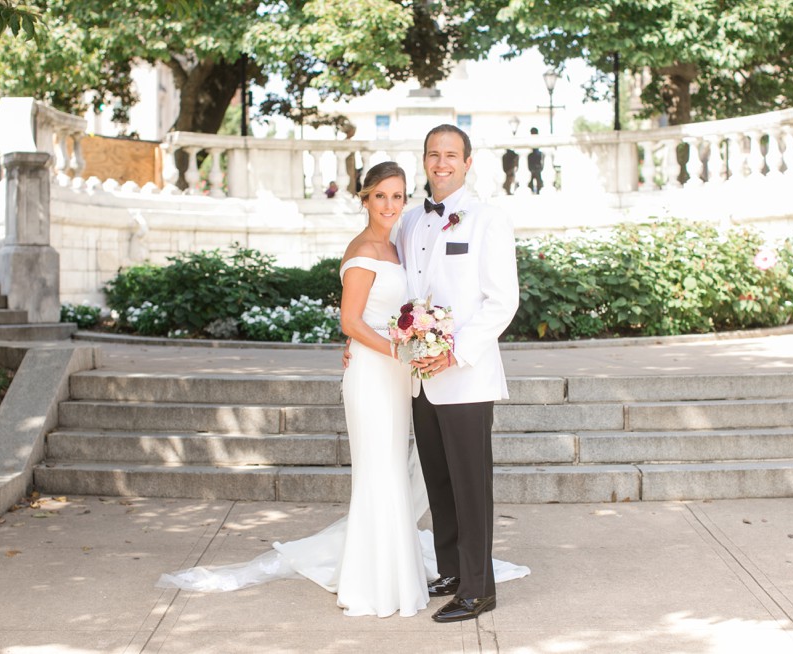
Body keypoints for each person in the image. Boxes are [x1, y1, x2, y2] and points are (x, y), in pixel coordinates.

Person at [156, 162, 528, 617]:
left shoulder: (413, 233)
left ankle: (446, 580)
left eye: (397, 196)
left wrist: (405, 344)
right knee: (386, 474)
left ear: (467, 162)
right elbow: (351, 319)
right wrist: (389, 350)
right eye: (380, 196)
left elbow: (453, 300)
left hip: (420, 376)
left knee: (403, 475)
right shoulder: (370, 245)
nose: (390, 205)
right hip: (385, 374)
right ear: (364, 199)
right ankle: (381, 579)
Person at [397, 124, 520, 623]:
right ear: (424, 161)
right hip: (419, 377)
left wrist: (455, 353)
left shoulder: (489, 219)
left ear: (468, 163)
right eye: (433, 154)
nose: (441, 163)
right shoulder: (409, 223)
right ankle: (450, 570)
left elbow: (502, 301)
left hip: (465, 376)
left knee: (471, 486)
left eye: (451, 155)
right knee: (439, 482)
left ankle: (479, 589)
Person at [526, 127, 545, 195]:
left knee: (537, 177)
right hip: (533, 160)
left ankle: (537, 190)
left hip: (535, 160)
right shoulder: (532, 140)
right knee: (533, 178)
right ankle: (535, 189)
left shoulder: (537, 140)